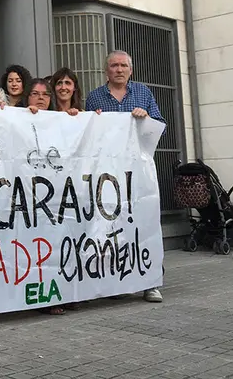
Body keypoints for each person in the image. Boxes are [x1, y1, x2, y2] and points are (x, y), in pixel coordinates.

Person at [85, 50, 165, 303]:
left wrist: (146, 118)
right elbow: (88, 133)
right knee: (111, 226)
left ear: (130, 69)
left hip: (137, 171)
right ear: (106, 70)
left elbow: (160, 124)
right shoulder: (94, 96)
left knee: (144, 222)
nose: (119, 69)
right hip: (108, 173)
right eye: (113, 66)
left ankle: (150, 282)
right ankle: (116, 281)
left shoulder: (143, 93)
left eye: (123, 65)